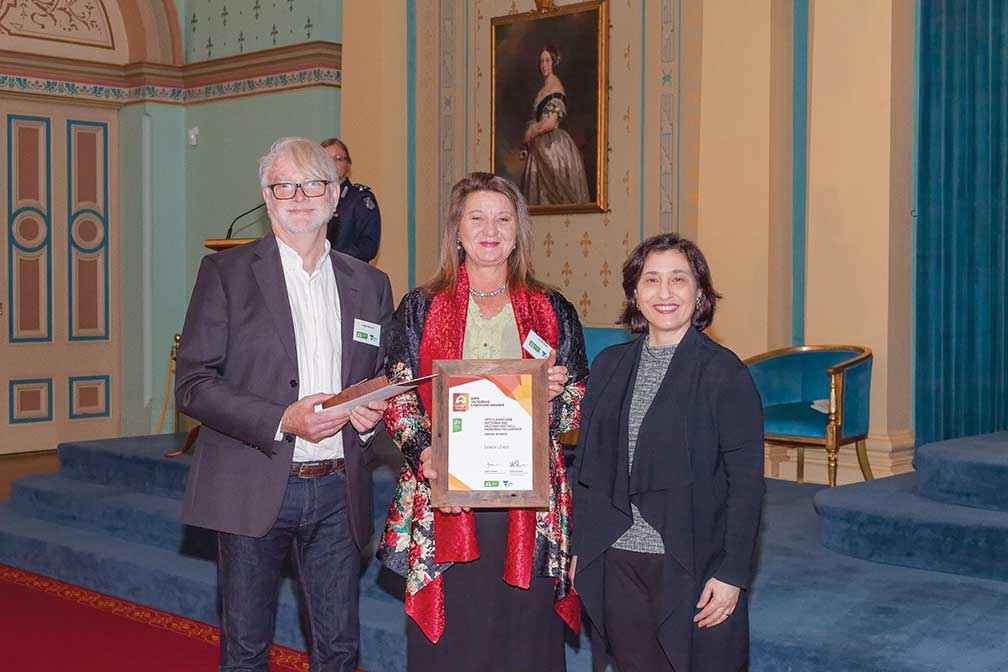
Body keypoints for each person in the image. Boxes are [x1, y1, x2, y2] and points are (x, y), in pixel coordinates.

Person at [175, 136, 393, 672]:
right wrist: (281, 419)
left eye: (313, 183)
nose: (298, 196)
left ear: (336, 195)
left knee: (339, 649)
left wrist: (371, 417)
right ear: (266, 196)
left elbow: (378, 379)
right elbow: (194, 383)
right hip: (253, 482)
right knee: (247, 650)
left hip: (340, 489)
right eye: (283, 185)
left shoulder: (371, 284)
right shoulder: (224, 274)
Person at [378, 172, 588, 671]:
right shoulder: (420, 307)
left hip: (529, 507)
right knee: (454, 638)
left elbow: (582, 398)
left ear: (518, 232)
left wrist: (553, 400)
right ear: (457, 230)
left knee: (523, 633)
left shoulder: (551, 308)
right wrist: (424, 452)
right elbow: (398, 394)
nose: (489, 229)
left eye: (503, 217)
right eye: (477, 217)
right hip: (443, 497)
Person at [572, 233, 765, 672]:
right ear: (634, 293)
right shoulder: (608, 366)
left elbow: (747, 485)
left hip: (690, 561)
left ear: (699, 292)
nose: (664, 293)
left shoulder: (724, 372)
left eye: (678, 279)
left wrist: (733, 572)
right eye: (651, 279)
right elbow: (586, 469)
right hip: (617, 558)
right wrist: (582, 545)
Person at [520, 44, 591, 206]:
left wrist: (531, 132)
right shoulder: (543, 89)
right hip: (538, 145)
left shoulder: (555, 87)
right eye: (541, 61)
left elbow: (550, 123)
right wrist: (526, 144)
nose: (544, 65)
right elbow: (537, 119)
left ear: (554, 62)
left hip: (553, 147)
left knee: (556, 193)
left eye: (547, 60)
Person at [321, 137, 381, 262]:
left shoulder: (359, 199)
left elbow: (368, 246)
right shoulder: (311, 197)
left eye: (338, 159)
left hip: (348, 272)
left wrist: (333, 258)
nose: (332, 164)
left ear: (348, 165)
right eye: (326, 160)